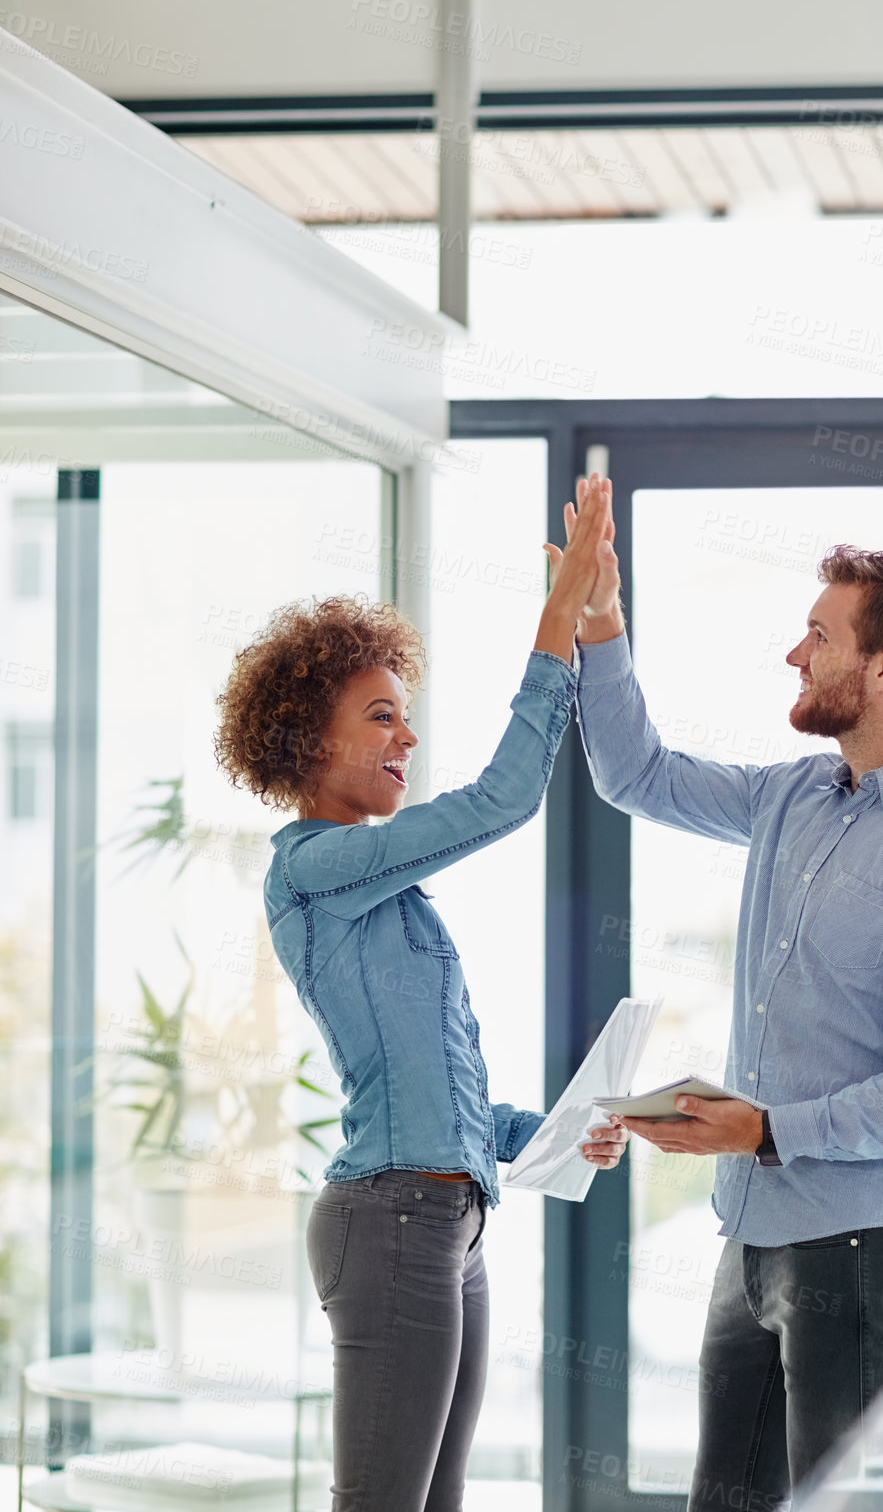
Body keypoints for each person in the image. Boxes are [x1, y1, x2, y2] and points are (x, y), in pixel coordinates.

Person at [549, 480, 883, 1509]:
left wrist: (766, 1128)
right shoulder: (793, 797)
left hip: (862, 1248)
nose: (793, 654)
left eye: (818, 635)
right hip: (752, 1232)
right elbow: (635, 775)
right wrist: (598, 625)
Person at [213, 473, 628, 1512]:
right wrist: (556, 625)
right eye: (381, 717)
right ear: (310, 739)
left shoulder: (374, 890)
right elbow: (500, 799)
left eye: (407, 718)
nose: (405, 739)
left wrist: (567, 1128)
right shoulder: (315, 866)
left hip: (443, 1217)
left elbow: (443, 1105)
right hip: (392, 1219)